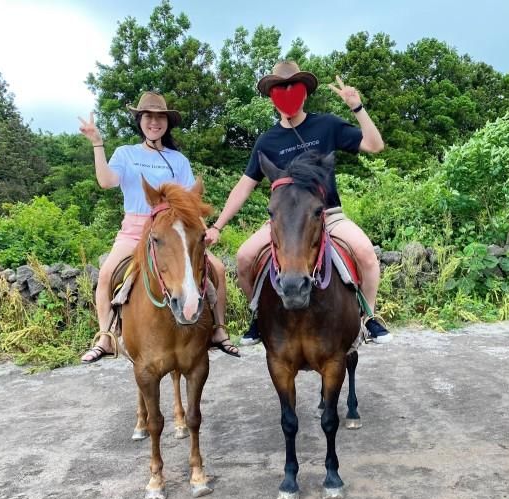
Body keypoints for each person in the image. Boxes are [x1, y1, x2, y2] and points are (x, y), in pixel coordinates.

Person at [204, 61, 392, 345]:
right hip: (283, 221)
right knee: (243, 258)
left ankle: (369, 317)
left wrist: (357, 107)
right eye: (279, 89)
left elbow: (375, 145)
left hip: (328, 214)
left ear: (304, 93)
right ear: (271, 97)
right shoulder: (266, 140)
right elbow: (244, 186)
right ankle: (257, 315)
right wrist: (217, 226)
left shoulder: (326, 124)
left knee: (366, 253)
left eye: (293, 88)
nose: (287, 94)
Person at [78, 91, 239, 362]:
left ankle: (218, 329)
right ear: (140, 121)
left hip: (176, 230)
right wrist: (97, 144)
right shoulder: (125, 154)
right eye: (148, 117)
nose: (154, 122)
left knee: (218, 269)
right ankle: (106, 336)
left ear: (167, 122)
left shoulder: (178, 160)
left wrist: (204, 230)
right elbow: (106, 182)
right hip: (135, 229)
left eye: (160, 117)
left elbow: (190, 203)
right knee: (106, 275)